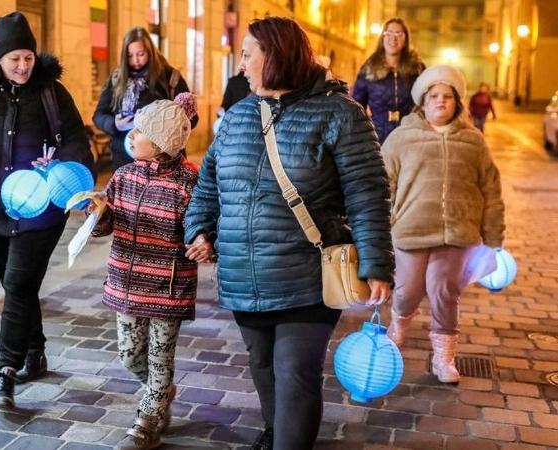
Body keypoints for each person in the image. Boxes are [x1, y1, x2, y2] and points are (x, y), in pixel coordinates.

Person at [183, 17, 394, 450]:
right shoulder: (239, 115)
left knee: (294, 372)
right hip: (245, 273)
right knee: (261, 363)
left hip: (307, 278)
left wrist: (376, 264)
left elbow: (367, 194)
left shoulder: (340, 114)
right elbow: (208, 184)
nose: (240, 65)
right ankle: (277, 432)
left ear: (274, 57)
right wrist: (200, 228)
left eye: (247, 55)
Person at [0, 12, 94, 407]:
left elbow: (78, 139)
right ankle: (35, 352)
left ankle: (5, 371)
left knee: (18, 287)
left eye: (28, 57)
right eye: (15, 60)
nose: (24, 66)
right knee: (19, 288)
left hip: (40, 211)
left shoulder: (52, 92)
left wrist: (60, 162)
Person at [382, 65, 505, 383]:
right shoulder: (401, 138)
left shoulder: (473, 141)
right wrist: (381, 227)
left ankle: (444, 358)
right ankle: (397, 326)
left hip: (456, 232)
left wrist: (493, 240)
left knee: (444, 292)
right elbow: (383, 185)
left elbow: (491, 190)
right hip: (411, 229)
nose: (440, 101)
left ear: (457, 102)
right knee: (408, 290)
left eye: (447, 96)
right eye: (434, 96)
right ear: (422, 101)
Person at [90, 95, 198, 450]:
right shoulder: (122, 175)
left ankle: (148, 419)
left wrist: (203, 239)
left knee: (159, 355)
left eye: (141, 131)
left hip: (167, 286)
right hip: (127, 282)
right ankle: (161, 390)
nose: (131, 136)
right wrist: (98, 213)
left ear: (162, 143)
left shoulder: (188, 182)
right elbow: (106, 224)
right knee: (128, 355)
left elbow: (199, 228)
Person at [92, 27, 196, 171]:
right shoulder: (116, 78)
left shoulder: (170, 77)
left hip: (161, 162)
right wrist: (114, 124)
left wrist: (162, 127)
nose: (135, 60)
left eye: (140, 54)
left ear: (150, 51)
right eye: (130, 55)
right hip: (124, 161)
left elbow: (191, 118)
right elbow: (98, 115)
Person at [353, 18, 425, 144]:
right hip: (377, 136)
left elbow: (426, 101)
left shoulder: (417, 68)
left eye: (399, 34)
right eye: (388, 33)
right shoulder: (369, 67)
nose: (393, 38)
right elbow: (356, 106)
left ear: (405, 39)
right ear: (382, 37)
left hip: (411, 134)